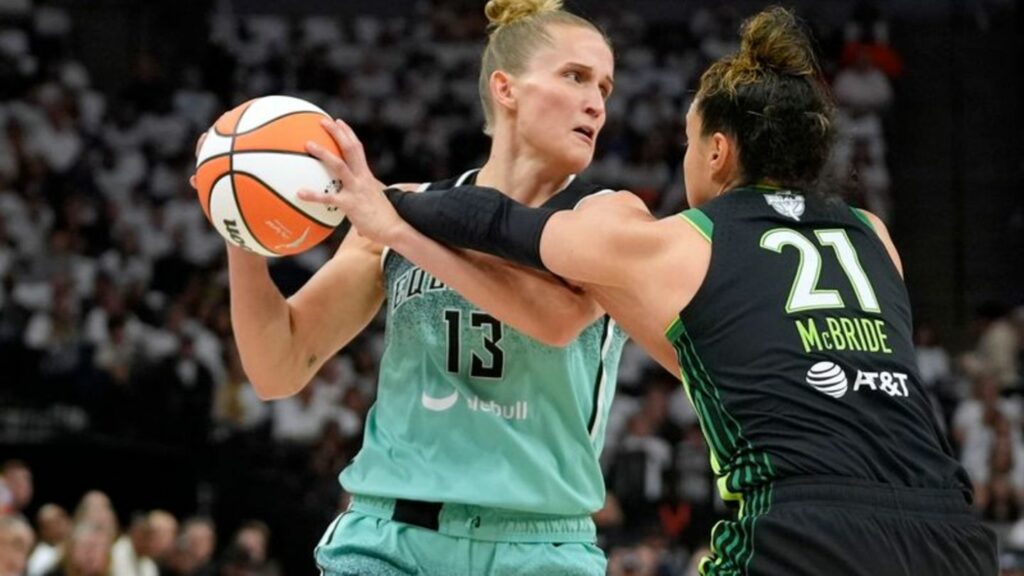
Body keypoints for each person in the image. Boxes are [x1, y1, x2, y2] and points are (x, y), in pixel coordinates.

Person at [308, 7, 999, 575]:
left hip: (803, 527)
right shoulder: (874, 235)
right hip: (949, 526)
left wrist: (388, 207)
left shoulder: (683, 239)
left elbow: (498, 222)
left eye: (690, 144)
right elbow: (744, 356)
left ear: (719, 152)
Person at [193, 0, 626, 573]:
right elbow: (279, 366)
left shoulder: (609, 217)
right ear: (507, 89)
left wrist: (399, 227)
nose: (595, 103)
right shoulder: (396, 209)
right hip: (389, 536)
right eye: (574, 77)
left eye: (605, 87)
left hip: (538, 544)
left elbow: (555, 321)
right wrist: (239, 221)